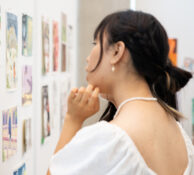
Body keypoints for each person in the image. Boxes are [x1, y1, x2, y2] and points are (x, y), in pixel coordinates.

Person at [48, 10, 193, 175]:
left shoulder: (110, 138)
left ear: (117, 51)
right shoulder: (178, 132)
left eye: (95, 44)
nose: (88, 58)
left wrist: (72, 119)